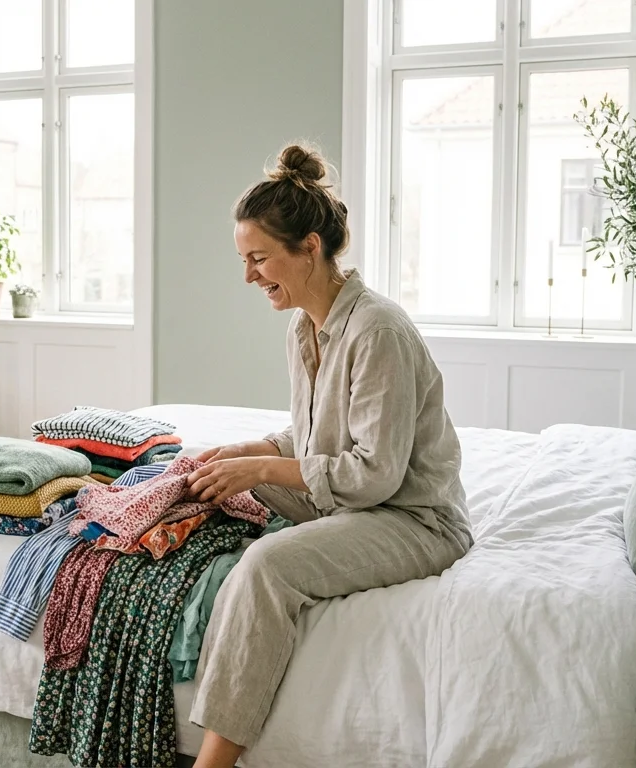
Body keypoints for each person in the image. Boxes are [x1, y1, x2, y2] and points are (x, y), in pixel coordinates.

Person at [183, 143, 473, 768]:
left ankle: (212, 763)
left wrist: (263, 467)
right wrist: (256, 451)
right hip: (359, 497)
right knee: (206, 477)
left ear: (309, 247)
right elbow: (316, 439)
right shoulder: (304, 325)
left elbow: (373, 473)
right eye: (245, 260)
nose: (249, 276)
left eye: (259, 259)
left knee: (266, 568)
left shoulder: (379, 331)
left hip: (413, 518)